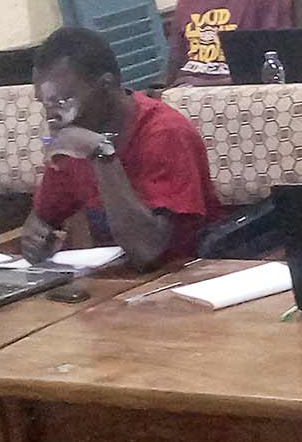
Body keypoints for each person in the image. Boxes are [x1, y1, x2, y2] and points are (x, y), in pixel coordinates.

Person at [21, 27, 220, 271]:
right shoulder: (74, 134)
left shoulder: (166, 133)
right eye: (46, 103)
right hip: (114, 280)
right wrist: (36, 237)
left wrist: (101, 153)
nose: (53, 115)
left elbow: (147, 251)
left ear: (106, 86)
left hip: (185, 274)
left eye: (64, 101)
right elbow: (43, 216)